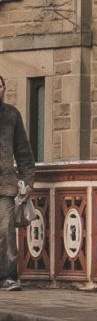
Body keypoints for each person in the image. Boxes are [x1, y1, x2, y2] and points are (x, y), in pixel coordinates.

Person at [0, 81, 30, 289]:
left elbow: (23, 150)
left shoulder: (11, 115)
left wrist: (28, 180)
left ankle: (8, 276)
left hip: (5, 184)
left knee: (6, 229)